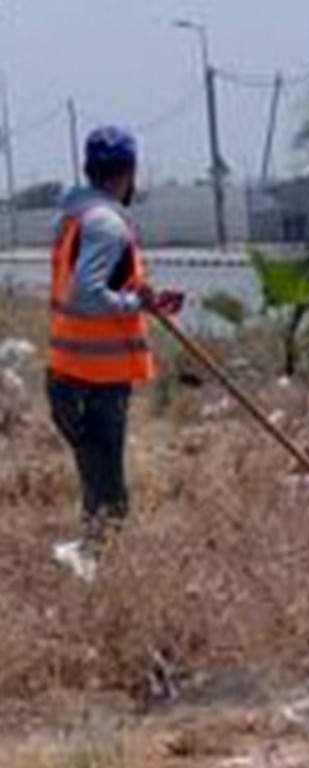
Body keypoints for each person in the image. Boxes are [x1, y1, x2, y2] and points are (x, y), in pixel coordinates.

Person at [48, 126, 183, 559]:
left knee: (97, 480)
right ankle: (99, 569)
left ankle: (88, 559)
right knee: (109, 494)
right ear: (129, 172)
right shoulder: (107, 223)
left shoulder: (75, 216)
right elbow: (86, 294)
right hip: (96, 378)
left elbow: (88, 287)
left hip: (69, 372)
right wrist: (133, 304)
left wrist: (144, 299)